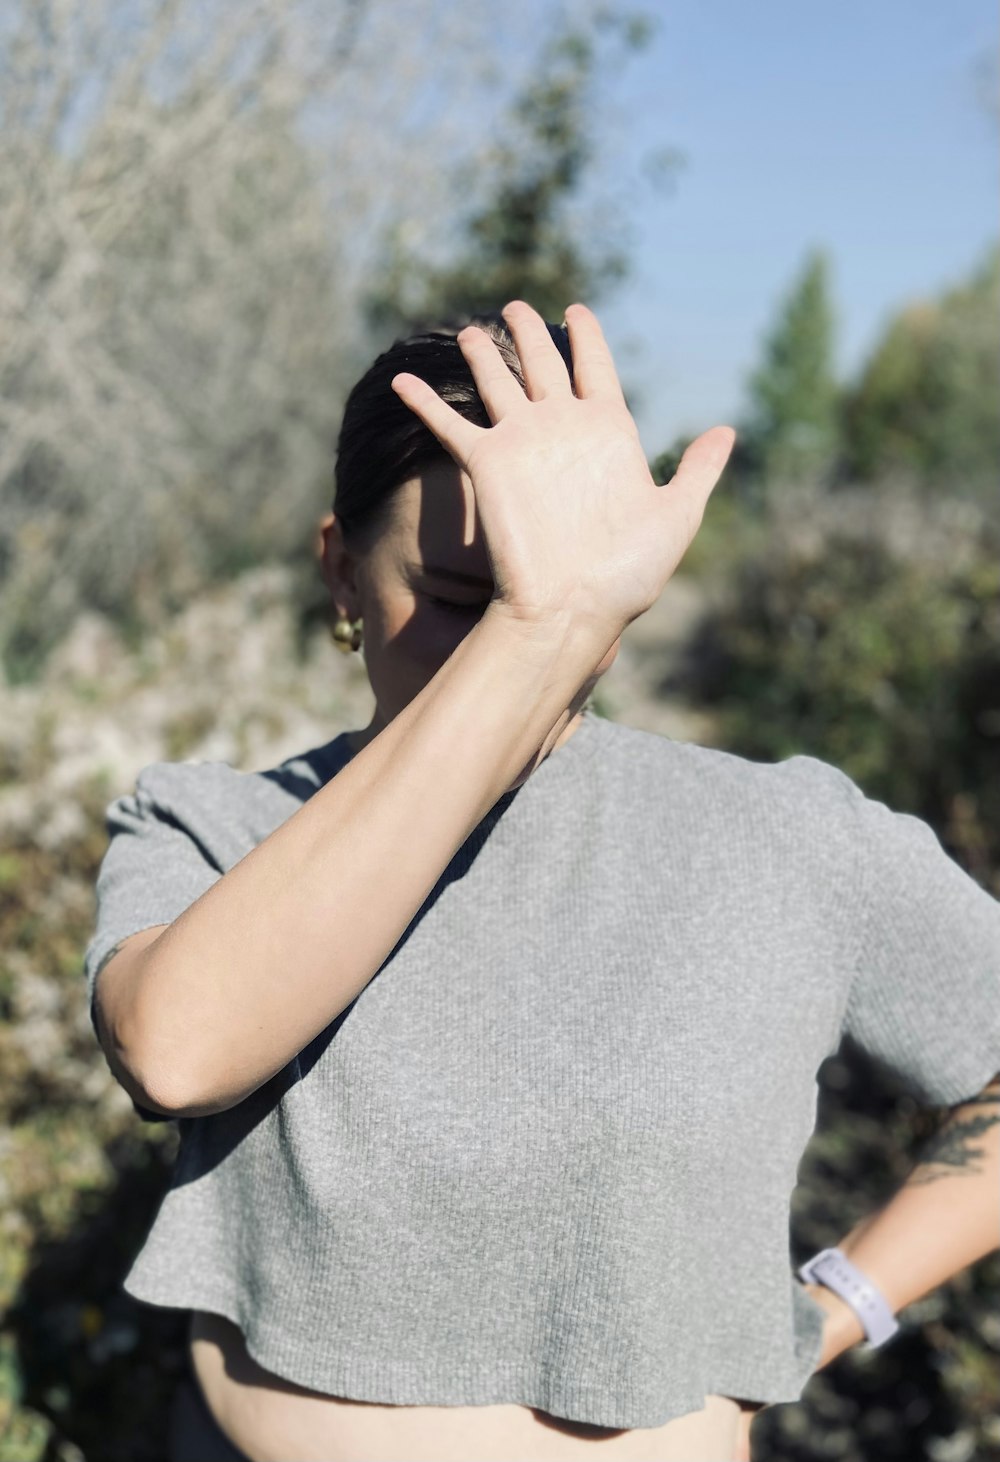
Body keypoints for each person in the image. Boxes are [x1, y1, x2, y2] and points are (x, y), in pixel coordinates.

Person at [85, 302, 1000, 1462]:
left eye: (570, 591)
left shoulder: (788, 834)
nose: (504, 637)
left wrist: (837, 1305)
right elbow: (177, 1048)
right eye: (461, 596)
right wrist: (537, 628)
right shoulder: (216, 826)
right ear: (339, 571)